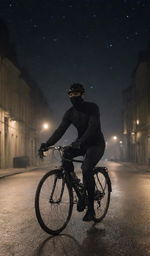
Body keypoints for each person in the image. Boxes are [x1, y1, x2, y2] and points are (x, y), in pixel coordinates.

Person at [39, 83, 105, 222]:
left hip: (96, 144)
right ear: (69, 96)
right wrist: (47, 144)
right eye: (71, 95)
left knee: (86, 168)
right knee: (66, 155)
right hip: (81, 143)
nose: (73, 97)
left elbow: (93, 126)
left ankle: (91, 210)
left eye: (76, 94)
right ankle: (79, 189)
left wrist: (81, 140)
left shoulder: (92, 107)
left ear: (82, 94)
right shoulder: (70, 113)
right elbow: (59, 131)